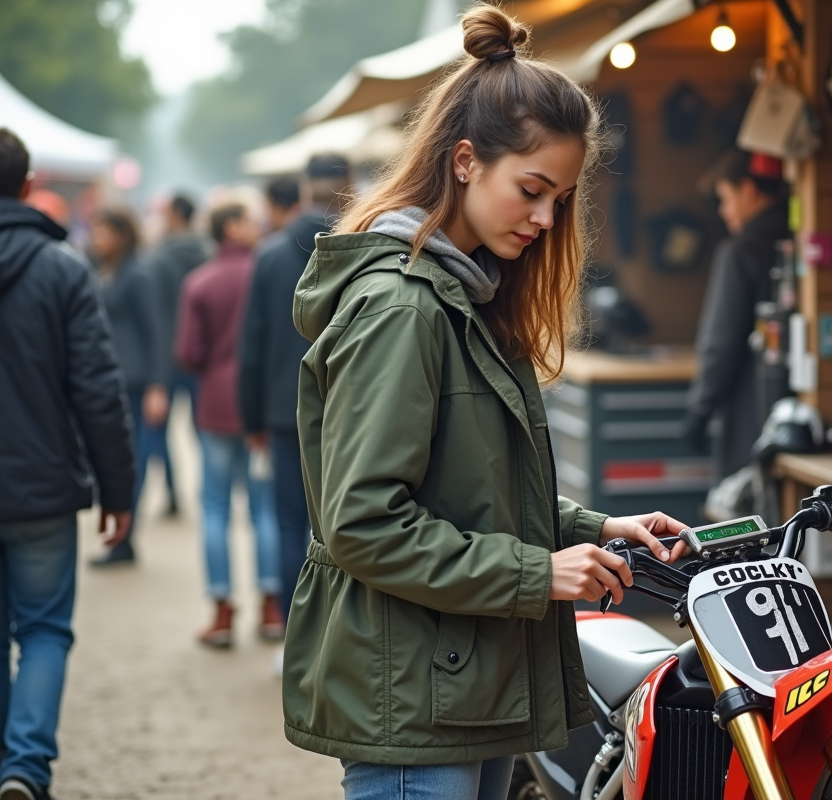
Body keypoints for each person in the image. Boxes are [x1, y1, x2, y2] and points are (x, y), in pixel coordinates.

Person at [281, 9, 689, 800]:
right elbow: (365, 522)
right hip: (415, 695)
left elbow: (465, 486)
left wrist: (592, 529)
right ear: (465, 161)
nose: (544, 219)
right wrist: (539, 572)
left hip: (460, 681)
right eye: (532, 191)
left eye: (560, 201)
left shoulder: (462, 294)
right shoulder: (404, 308)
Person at [0, 128, 135, 800]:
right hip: (43, 489)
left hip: (36, 487)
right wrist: (119, 488)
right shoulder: (62, 269)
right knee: (46, 629)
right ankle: (25, 766)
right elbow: (98, 390)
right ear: (28, 187)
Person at [239, 154, 351, 626]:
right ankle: (345, 636)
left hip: (286, 413)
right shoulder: (370, 246)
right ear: (348, 185)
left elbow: (253, 346)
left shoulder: (269, 255)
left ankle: (293, 631)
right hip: (355, 409)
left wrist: (252, 419)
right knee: (353, 526)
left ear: (306, 189)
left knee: (289, 524)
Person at [176, 202, 283, 647]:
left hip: (217, 404)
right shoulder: (267, 271)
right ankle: (272, 606)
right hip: (258, 402)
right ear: (231, 228)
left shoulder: (199, 281)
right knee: (264, 508)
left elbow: (188, 352)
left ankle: (221, 612)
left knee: (216, 507)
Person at [682, 149, 792, 480]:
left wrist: (698, 413)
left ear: (749, 190)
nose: (723, 211)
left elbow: (721, 341)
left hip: (750, 418)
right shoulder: (797, 240)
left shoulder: (740, 252)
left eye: (726, 199)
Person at [88, 206, 167, 566]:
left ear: (121, 235)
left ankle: (124, 539)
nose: (96, 239)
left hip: (135, 381)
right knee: (121, 457)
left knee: (131, 459)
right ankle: (123, 538)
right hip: (115, 377)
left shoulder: (138, 273)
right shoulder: (109, 270)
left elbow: (156, 332)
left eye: (102, 232)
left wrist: (157, 385)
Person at [142, 193, 210, 517]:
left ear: (173, 216)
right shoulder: (208, 251)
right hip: (201, 358)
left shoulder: (158, 258)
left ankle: (171, 493)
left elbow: (153, 313)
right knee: (204, 431)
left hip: (166, 357)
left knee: (159, 432)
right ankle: (208, 488)